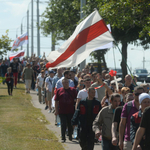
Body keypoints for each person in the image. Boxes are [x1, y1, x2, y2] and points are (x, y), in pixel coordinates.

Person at [119, 86, 144, 150]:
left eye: (141, 94)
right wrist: (120, 140)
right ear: (133, 94)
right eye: (136, 94)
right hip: (129, 140)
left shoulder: (147, 106)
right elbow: (122, 123)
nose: (138, 96)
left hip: (144, 140)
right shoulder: (128, 106)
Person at [55, 78, 77, 143]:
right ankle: (63, 137)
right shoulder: (59, 90)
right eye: (64, 82)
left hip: (71, 111)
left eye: (67, 82)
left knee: (70, 124)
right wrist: (56, 110)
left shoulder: (73, 90)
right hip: (62, 111)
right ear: (62, 83)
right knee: (63, 124)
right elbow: (56, 101)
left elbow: (76, 99)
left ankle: (70, 135)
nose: (66, 83)